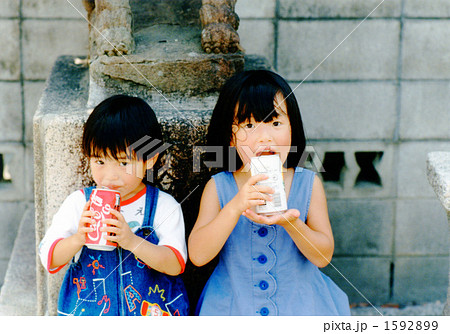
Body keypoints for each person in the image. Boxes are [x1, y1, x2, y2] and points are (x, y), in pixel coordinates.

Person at [188, 70, 350, 316]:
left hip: (301, 307)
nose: (265, 137)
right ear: (231, 137)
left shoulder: (307, 183)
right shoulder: (219, 187)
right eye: (249, 125)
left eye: (276, 123)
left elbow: (323, 256)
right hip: (234, 309)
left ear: (293, 129)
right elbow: (198, 255)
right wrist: (234, 207)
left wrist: (292, 223)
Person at [39, 95, 189, 316]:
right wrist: (79, 238)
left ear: (150, 160)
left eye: (123, 162)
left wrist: (132, 241)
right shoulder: (79, 203)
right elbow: (49, 260)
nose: (109, 176)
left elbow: (175, 264)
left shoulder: (163, 206)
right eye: (99, 161)